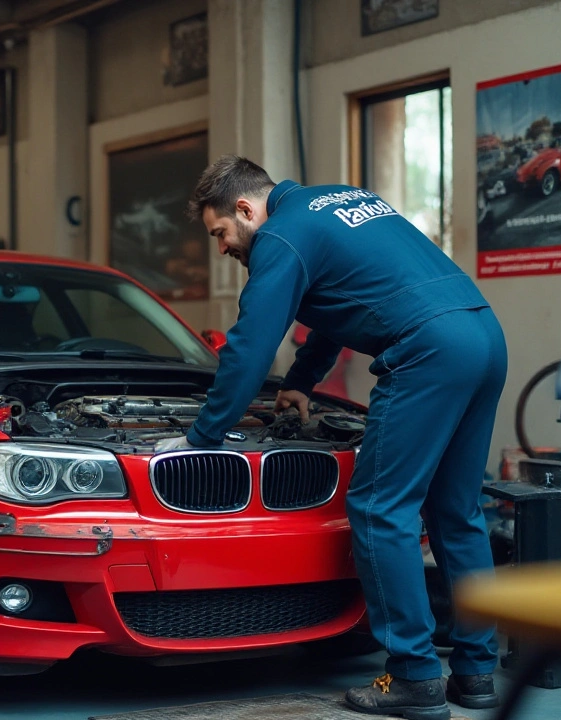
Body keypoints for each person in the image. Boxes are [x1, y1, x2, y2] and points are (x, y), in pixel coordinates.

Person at [155, 156, 506, 720]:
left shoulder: (281, 237)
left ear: (246, 210)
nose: (223, 247)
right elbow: (334, 309)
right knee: (456, 511)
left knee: (378, 509)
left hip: (428, 351)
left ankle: (415, 676)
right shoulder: (338, 200)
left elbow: (249, 345)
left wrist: (203, 435)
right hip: (482, 334)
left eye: (220, 232)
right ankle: (476, 671)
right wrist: (300, 383)